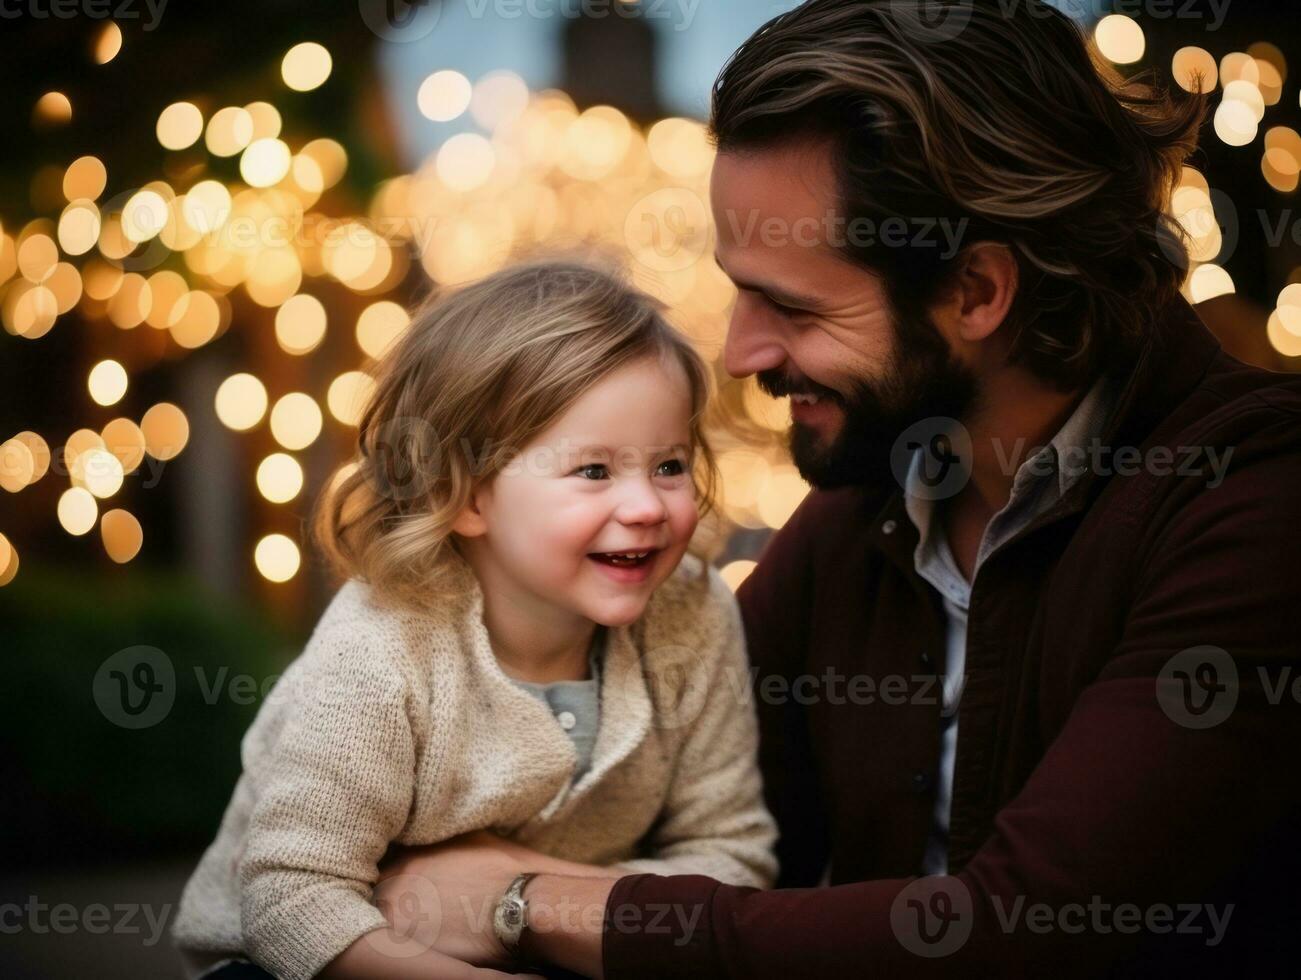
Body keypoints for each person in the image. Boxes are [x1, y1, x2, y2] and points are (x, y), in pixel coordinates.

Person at [383, 2, 1301, 977]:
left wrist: (525, 899)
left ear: (975, 292)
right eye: (740, 289)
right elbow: (651, 814)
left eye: (791, 304)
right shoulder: (865, 508)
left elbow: (1019, 931)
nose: (740, 353)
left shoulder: (1251, 501)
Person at [168, 259, 778, 980]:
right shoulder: (385, 642)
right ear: (464, 496)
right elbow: (292, 898)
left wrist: (521, 890)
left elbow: (731, 862)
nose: (647, 505)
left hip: (553, 949)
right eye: (593, 471)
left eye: (669, 465)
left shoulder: (691, 612)